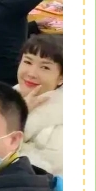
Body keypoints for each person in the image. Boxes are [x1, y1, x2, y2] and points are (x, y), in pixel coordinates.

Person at [15, 35, 63, 174]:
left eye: (45, 67)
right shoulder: (5, 97)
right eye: (28, 62)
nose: (31, 73)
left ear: (61, 78)